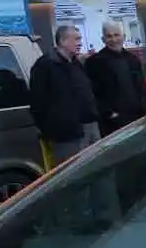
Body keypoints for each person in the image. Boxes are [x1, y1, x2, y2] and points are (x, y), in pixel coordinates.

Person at [29, 25, 101, 166]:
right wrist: (52, 130)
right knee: (73, 176)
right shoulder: (45, 66)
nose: (80, 43)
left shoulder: (75, 63)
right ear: (62, 41)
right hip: (67, 135)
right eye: (76, 39)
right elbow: (37, 103)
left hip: (90, 127)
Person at [85, 21, 146, 138]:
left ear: (124, 37)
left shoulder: (132, 59)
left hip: (139, 119)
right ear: (103, 39)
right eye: (109, 36)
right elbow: (92, 94)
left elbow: (141, 88)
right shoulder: (94, 62)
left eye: (116, 35)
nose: (113, 39)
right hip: (113, 125)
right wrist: (110, 114)